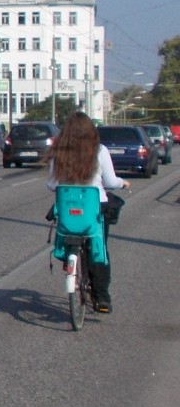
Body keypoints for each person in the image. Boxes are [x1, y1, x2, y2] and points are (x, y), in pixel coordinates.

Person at [46, 111, 129, 313]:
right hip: (95, 211)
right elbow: (110, 181)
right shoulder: (100, 150)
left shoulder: (59, 151)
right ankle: (102, 298)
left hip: (68, 211)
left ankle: (70, 260)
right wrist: (123, 183)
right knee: (99, 249)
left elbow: (52, 185)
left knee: (69, 235)